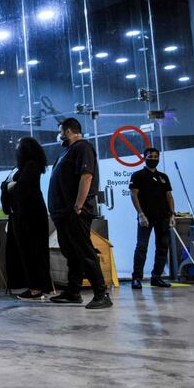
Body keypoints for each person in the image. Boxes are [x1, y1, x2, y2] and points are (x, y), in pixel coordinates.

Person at [47, 118, 112, 309]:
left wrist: (78, 206)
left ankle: (101, 294)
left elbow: (86, 177)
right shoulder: (66, 151)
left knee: (84, 251)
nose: (59, 135)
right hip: (63, 213)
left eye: (60, 132)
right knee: (72, 252)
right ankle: (73, 292)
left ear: (67, 131)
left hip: (75, 212)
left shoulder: (82, 148)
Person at [5, 137, 52, 300]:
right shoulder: (22, 167)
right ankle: (35, 286)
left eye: (19, 147)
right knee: (27, 251)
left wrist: (9, 186)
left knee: (33, 251)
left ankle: (36, 288)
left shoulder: (31, 165)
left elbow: (22, 186)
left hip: (30, 215)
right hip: (22, 214)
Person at [129, 147, 175, 289]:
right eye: (151, 156)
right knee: (142, 247)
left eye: (156, 156)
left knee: (162, 248)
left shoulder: (163, 177)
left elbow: (169, 196)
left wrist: (173, 214)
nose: (153, 159)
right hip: (146, 218)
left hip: (163, 218)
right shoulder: (138, 175)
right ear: (144, 157)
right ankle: (136, 278)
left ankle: (157, 277)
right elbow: (134, 195)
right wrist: (141, 214)